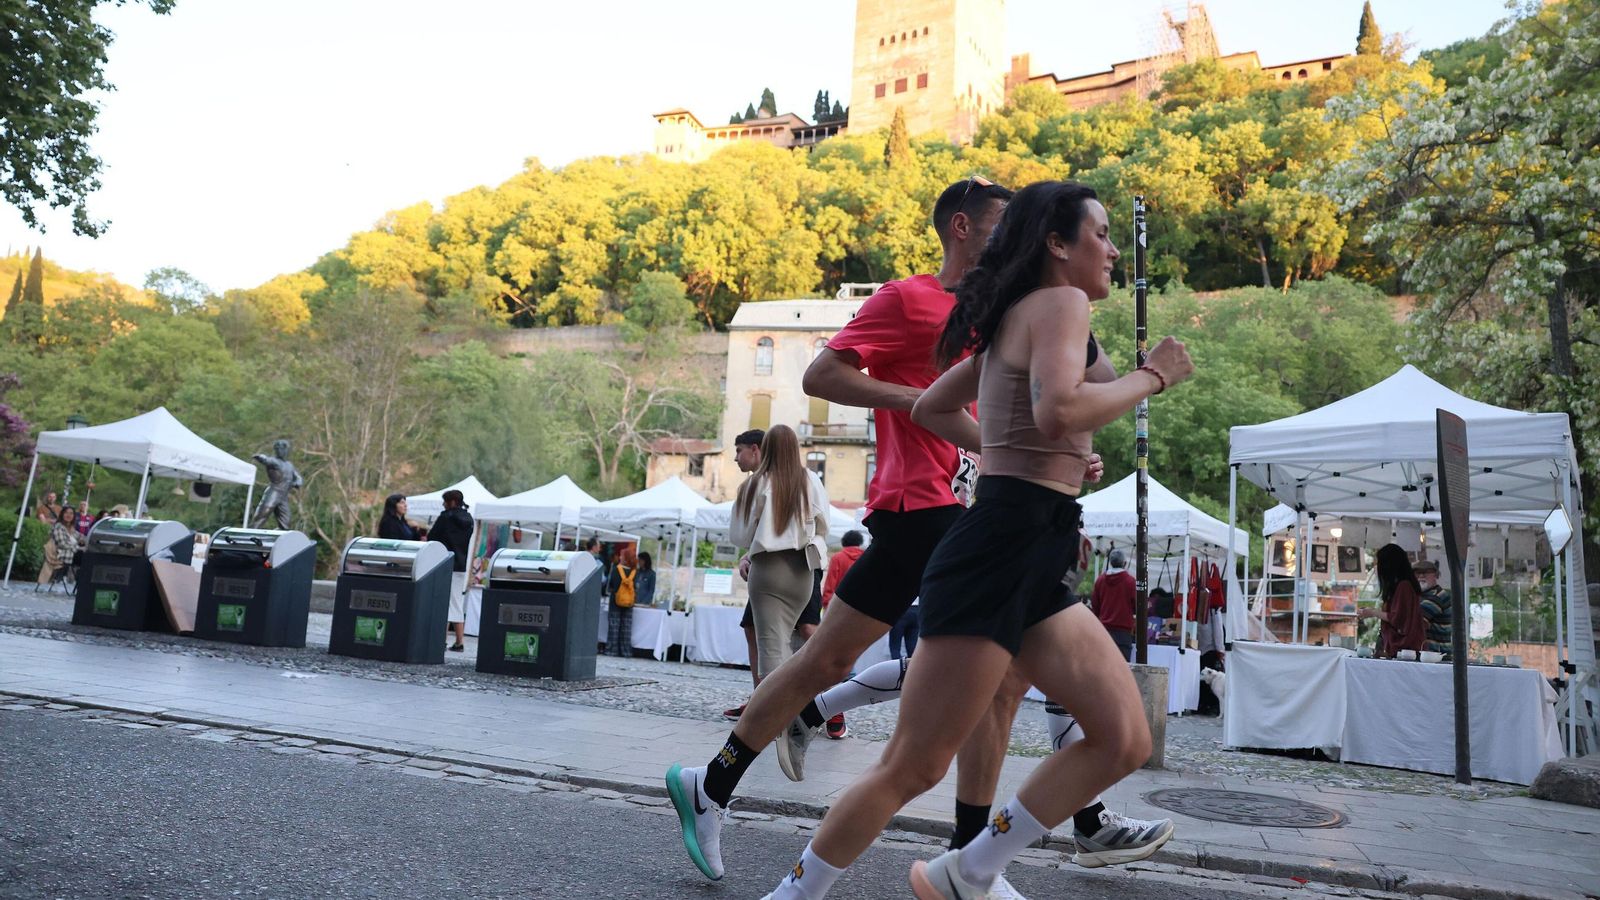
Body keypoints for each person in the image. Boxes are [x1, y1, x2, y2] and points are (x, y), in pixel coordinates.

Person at [757, 180, 1194, 900]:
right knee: (913, 765)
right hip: (1001, 546)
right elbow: (1057, 409)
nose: (1114, 251)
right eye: (1102, 235)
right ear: (1057, 245)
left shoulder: (1030, 314)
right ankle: (792, 895)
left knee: (1124, 736)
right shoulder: (1059, 302)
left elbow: (935, 406)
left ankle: (971, 869)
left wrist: (1018, 444)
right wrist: (1153, 377)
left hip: (1033, 544)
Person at [726, 428, 825, 720]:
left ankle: (775, 718)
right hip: (804, 570)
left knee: (771, 645)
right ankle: (800, 707)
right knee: (795, 643)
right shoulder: (811, 480)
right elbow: (823, 526)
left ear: (764, 448)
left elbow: (740, 534)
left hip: (769, 569)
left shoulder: (756, 484)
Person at [429, 489, 475, 653]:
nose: (443, 504)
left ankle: (442, 640)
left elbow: (432, 537)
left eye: (445, 501)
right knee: (456, 602)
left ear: (452, 502)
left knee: (444, 602)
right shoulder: (469, 519)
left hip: (444, 562)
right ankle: (459, 641)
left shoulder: (445, 518)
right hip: (461, 565)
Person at [1361, 544, 1426, 659]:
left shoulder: (1404, 586)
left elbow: (1397, 618)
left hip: (1405, 648)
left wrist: (1372, 612)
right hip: (1402, 648)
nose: (1377, 567)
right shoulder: (1401, 586)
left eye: (1379, 563)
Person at [1090, 549, 1136, 662]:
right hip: (1123, 633)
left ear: (1110, 562)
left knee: (1103, 666)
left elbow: (1095, 605)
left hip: (1104, 631)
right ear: (1124, 563)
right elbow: (1137, 606)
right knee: (1123, 668)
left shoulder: (1100, 581)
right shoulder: (1130, 582)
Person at [1412, 558, 1453, 655]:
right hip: (1427, 654)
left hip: (1438, 656)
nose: (1421, 576)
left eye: (1426, 572)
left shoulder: (1438, 596)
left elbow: (1415, 622)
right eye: (1417, 573)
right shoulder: (1418, 596)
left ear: (1436, 575)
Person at [607, 546, 641, 657]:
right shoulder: (634, 572)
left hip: (616, 601)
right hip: (629, 602)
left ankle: (611, 650)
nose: (620, 557)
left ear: (625, 558)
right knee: (626, 627)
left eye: (622, 555)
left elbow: (610, 585)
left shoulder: (616, 569)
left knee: (614, 626)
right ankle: (626, 651)